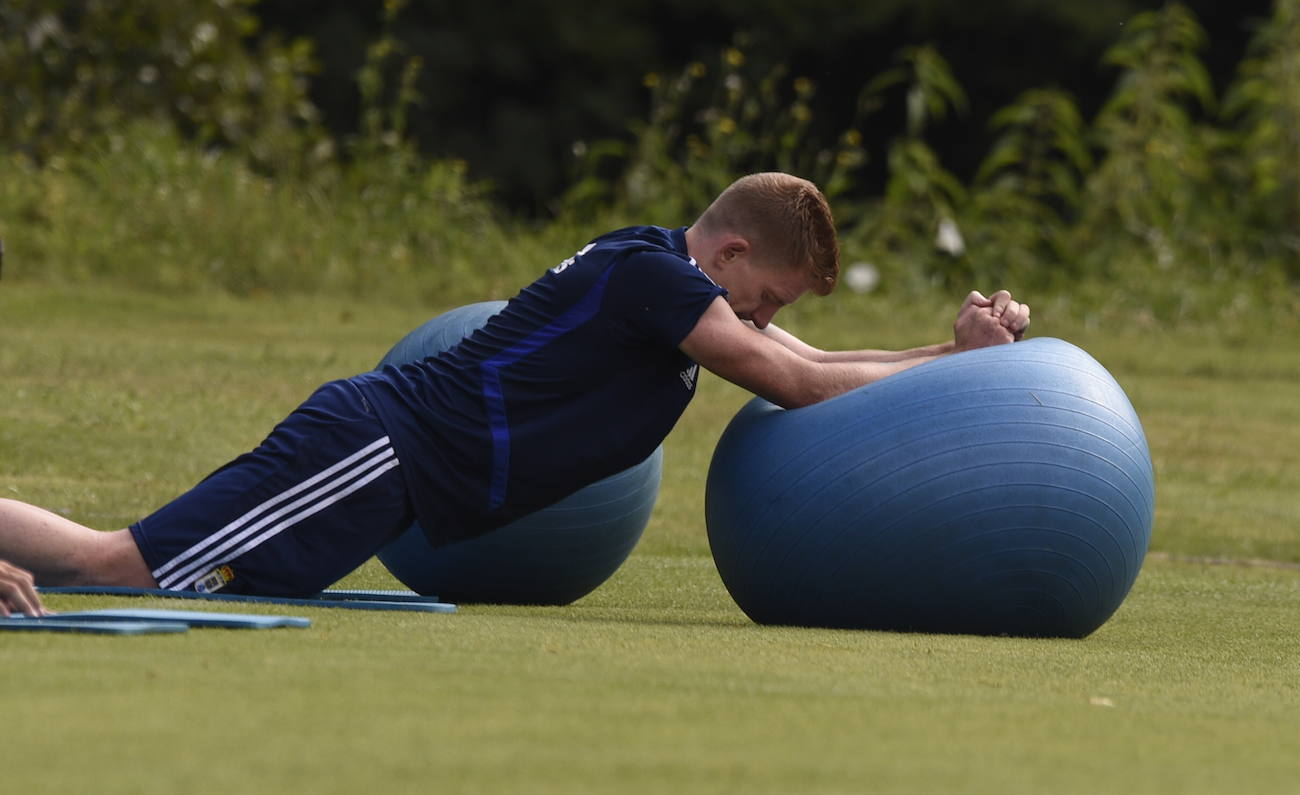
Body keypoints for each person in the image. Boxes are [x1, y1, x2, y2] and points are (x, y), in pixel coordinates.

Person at [0, 172, 1029, 614]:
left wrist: (954, 353)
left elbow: (824, 365)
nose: (761, 322)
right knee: (121, 568)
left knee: (143, 573)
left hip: (385, 474)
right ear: (730, 251)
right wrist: (969, 363)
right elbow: (804, 384)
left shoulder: (678, 283)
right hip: (372, 450)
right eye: (760, 298)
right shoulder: (654, 282)